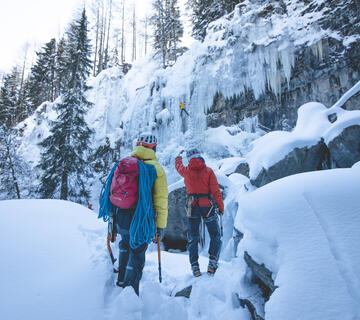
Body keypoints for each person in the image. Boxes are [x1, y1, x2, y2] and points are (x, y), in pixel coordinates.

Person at [116, 132, 168, 295]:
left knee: (125, 244)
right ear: (154, 147)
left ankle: (121, 280)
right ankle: (130, 294)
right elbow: (161, 199)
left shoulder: (125, 163)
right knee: (137, 252)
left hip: (121, 216)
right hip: (141, 219)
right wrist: (160, 226)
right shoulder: (156, 169)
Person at [175, 147, 224, 277]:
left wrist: (178, 158)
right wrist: (221, 207)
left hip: (192, 206)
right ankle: (212, 263)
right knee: (215, 235)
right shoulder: (208, 171)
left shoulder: (186, 171)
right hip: (206, 205)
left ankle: (195, 267)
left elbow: (178, 166)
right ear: (200, 156)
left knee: (193, 237)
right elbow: (216, 191)